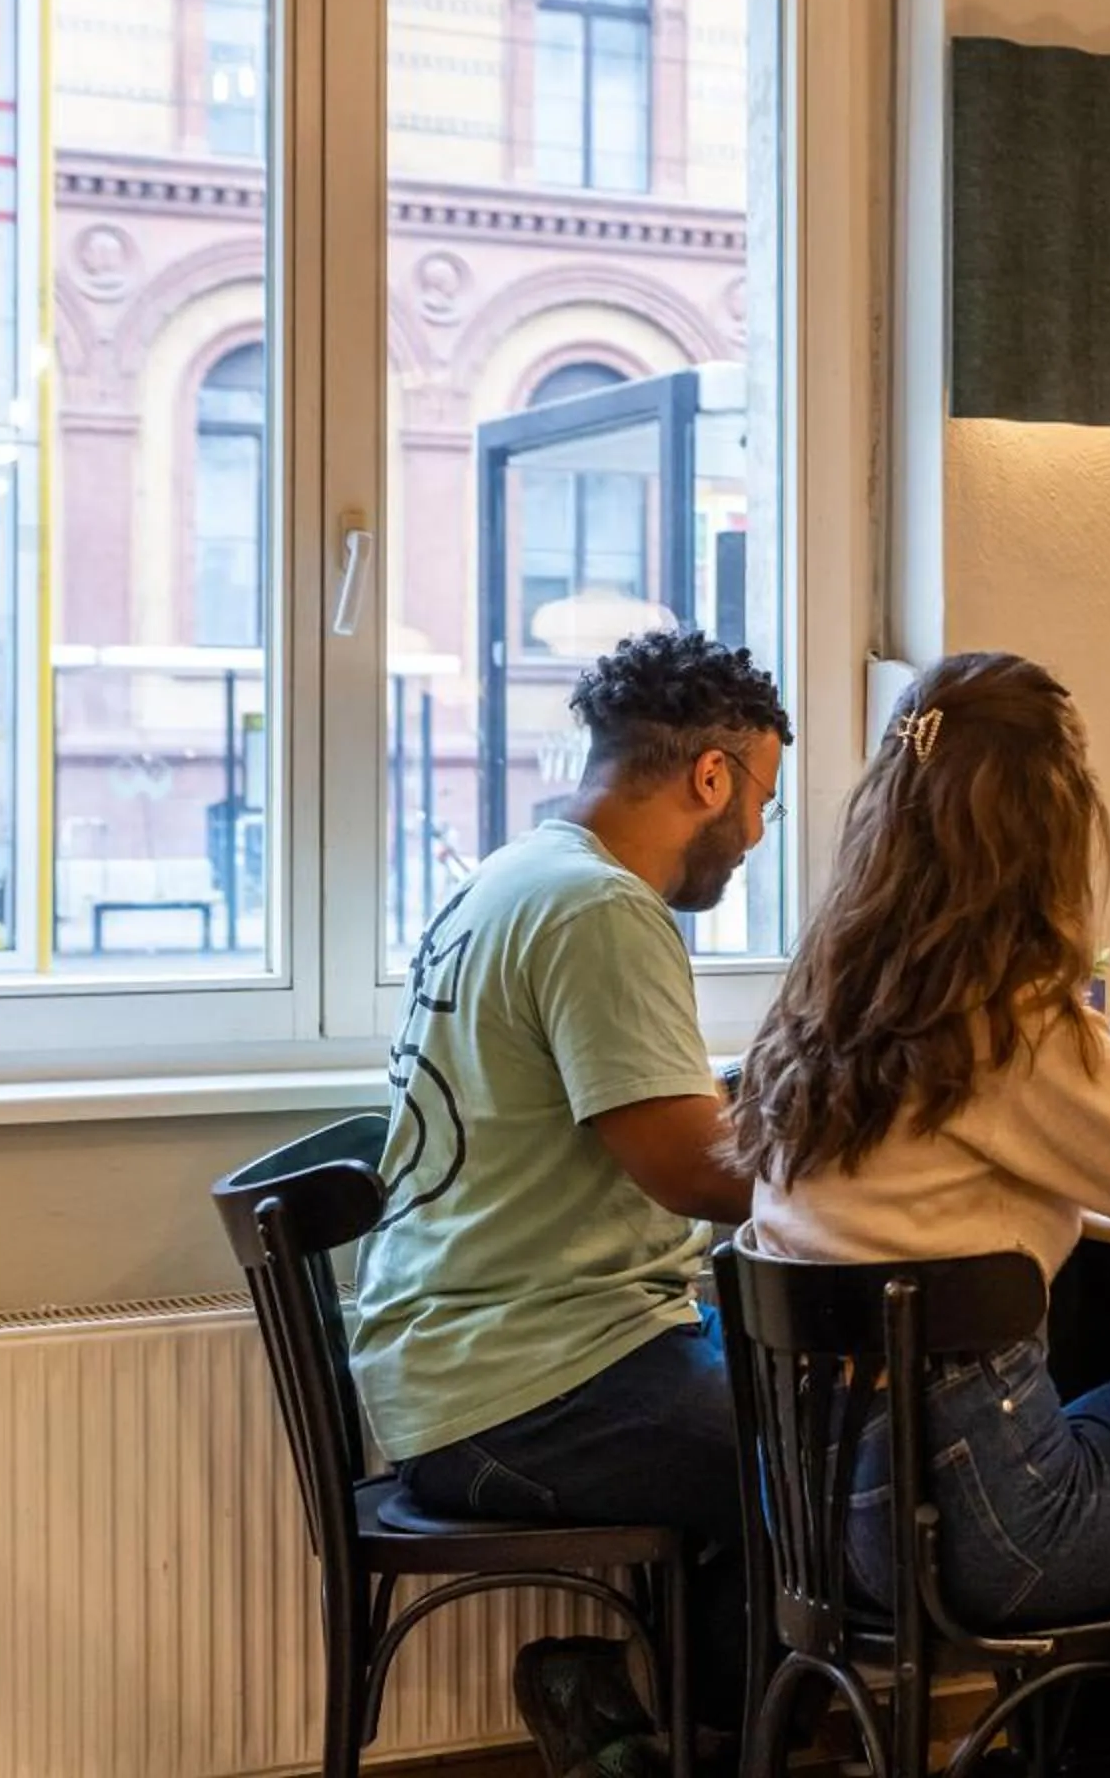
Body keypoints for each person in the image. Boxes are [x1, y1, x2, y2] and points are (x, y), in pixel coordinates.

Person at [728, 651, 1110, 1758]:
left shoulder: (839, 997)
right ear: (1045, 826)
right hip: (992, 1523)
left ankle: (1094, 1751)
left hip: (827, 1518)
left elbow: (1050, 1110)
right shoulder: (1003, 1019)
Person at [351, 627, 790, 1777]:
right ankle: (696, 1741)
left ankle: (627, 1705)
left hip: (469, 1361)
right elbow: (692, 1170)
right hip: (520, 1386)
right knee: (822, 1452)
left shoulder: (511, 875)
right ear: (713, 775)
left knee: (791, 1410)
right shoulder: (602, 910)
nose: (752, 838)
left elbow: (633, 1110)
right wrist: (862, 1143)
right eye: (762, 805)